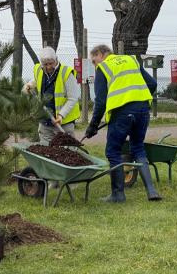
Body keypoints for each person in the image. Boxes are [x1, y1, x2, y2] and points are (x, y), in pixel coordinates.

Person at [85, 44, 161, 203]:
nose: (94, 65)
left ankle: (118, 195)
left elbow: (100, 102)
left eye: (94, 60)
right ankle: (152, 191)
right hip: (142, 110)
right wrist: (136, 101)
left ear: (101, 53)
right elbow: (152, 84)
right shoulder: (131, 60)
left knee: (113, 151)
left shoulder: (104, 67)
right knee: (138, 148)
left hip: (121, 114)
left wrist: (92, 126)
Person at [23, 47, 80, 143]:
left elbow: (73, 98)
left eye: (51, 63)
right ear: (42, 64)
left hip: (64, 123)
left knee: (66, 151)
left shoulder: (66, 73)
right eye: (45, 64)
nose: (48, 67)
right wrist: (29, 85)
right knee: (46, 151)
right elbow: (36, 80)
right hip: (45, 121)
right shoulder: (39, 70)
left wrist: (61, 115)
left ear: (56, 60)